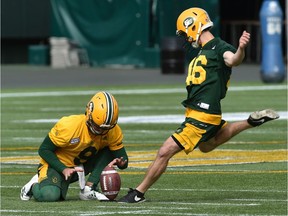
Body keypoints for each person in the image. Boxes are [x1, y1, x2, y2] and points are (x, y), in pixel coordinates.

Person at [118, 7, 279, 203]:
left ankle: (138, 193)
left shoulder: (219, 47)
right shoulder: (203, 51)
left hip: (201, 115)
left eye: (185, 33)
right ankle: (251, 122)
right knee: (207, 146)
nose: (186, 38)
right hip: (201, 114)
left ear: (193, 26)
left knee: (164, 151)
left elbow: (233, 60)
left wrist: (241, 49)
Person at [20, 91, 128, 202]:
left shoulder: (113, 131)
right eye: (97, 126)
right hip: (57, 165)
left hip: (80, 165)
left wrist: (121, 162)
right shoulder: (69, 126)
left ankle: (89, 188)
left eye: (106, 128)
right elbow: (44, 150)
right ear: (89, 114)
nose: (101, 131)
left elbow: (123, 159)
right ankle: (33, 186)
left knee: (110, 150)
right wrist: (63, 168)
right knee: (50, 196)